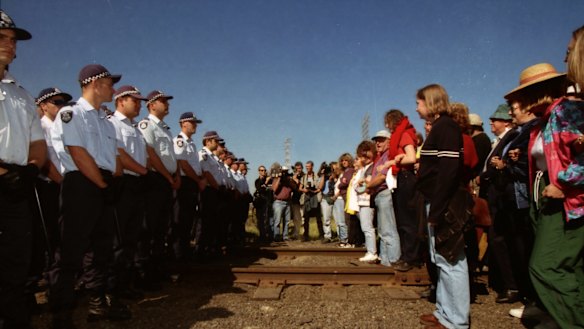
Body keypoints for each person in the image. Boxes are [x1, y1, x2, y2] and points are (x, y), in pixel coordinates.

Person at [505, 59, 583, 328]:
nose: (522, 103)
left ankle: (572, 321)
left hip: (562, 196)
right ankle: (557, 314)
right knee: (565, 266)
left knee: (545, 266)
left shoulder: (567, 112)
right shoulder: (544, 121)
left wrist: (564, 183)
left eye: (524, 95)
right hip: (543, 196)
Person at [49, 64, 127, 326]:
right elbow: (78, 153)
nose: (113, 89)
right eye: (109, 83)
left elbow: (114, 157)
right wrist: (103, 186)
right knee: (71, 249)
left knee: (101, 248)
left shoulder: (105, 120)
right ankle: (62, 310)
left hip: (103, 184)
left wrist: (113, 181)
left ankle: (97, 301)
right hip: (82, 184)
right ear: (94, 84)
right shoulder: (71, 113)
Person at [0, 11, 47, 328]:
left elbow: (38, 143)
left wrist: (31, 169)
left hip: (17, 187)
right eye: (2, 38)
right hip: (7, 178)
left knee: (16, 263)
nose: (10, 45)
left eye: (13, 41)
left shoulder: (23, 95)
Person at [416, 84, 471, 329]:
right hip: (438, 201)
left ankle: (456, 320)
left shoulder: (446, 126)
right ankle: (444, 312)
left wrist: (436, 210)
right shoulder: (441, 126)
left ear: (430, 102)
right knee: (440, 259)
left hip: (446, 204)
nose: (417, 107)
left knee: (451, 260)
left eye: (418, 102)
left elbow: (448, 172)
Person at [107, 85, 149, 300]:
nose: (139, 104)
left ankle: (126, 283)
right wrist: (143, 171)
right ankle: (114, 288)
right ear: (120, 100)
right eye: (135, 100)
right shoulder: (112, 124)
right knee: (120, 237)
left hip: (136, 185)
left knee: (133, 236)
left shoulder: (135, 128)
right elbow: (119, 154)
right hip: (124, 183)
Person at [136, 90, 180, 289]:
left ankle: (158, 268)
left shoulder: (166, 129)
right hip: (155, 179)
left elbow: (171, 156)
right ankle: (145, 272)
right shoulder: (147, 125)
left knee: (162, 227)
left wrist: (176, 175)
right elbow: (150, 153)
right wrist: (167, 175)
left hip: (166, 179)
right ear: (152, 105)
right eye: (163, 101)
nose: (167, 104)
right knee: (150, 227)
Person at [479, 104, 521, 304]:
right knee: (497, 239)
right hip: (495, 196)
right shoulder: (502, 139)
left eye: (495, 120)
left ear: (505, 121)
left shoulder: (511, 137)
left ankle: (511, 285)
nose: (491, 123)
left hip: (501, 196)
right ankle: (506, 283)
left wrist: (485, 175)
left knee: (501, 239)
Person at [383, 109, 420, 271]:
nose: (386, 126)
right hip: (403, 178)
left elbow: (411, 157)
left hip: (406, 178)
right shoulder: (403, 133)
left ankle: (410, 258)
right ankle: (407, 256)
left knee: (407, 220)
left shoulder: (404, 134)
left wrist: (392, 162)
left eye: (388, 122)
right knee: (403, 220)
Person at [173, 112, 205, 261]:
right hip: (186, 182)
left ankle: (184, 251)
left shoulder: (191, 143)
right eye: (192, 123)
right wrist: (197, 180)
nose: (195, 125)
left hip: (192, 182)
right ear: (183, 124)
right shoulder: (180, 141)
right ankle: (178, 254)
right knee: (181, 219)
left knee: (188, 219)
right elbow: (183, 165)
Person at [366, 129, 401, 267]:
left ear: (389, 141)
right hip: (380, 195)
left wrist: (369, 186)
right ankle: (386, 261)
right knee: (383, 230)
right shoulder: (381, 156)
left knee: (388, 230)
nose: (377, 143)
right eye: (376, 140)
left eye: (381, 140)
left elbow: (382, 177)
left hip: (385, 193)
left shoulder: (388, 155)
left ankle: (392, 261)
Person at [353, 141, 378, 262]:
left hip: (367, 201)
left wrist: (360, 186)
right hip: (363, 201)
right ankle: (370, 250)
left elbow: (363, 187)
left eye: (366, 156)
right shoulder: (365, 169)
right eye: (362, 156)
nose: (364, 158)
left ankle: (372, 252)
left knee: (367, 227)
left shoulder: (371, 167)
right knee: (366, 227)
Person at [300, 161, 324, 241]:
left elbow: (320, 187)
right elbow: (300, 188)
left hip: (315, 197)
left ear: (312, 166)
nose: (307, 168)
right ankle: (306, 236)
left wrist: (315, 191)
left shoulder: (317, 176)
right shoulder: (304, 177)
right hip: (307, 198)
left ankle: (321, 235)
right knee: (306, 219)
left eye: (309, 166)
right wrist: (305, 190)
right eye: (306, 166)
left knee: (318, 218)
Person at [271, 164, 296, 241]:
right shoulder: (276, 179)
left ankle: (285, 236)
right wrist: (279, 178)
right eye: (283, 172)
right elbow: (274, 189)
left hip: (287, 202)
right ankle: (277, 236)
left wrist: (289, 179)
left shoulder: (289, 180)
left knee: (287, 221)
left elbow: (294, 187)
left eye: (286, 172)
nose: (284, 173)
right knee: (277, 221)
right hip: (278, 202)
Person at [253, 165, 272, 242]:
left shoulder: (270, 180)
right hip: (260, 203)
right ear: (259, 171)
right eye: (261, 170)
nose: (263, 172)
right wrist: (266, 182)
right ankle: (262, 236)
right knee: (260, 220)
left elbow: (271, 189)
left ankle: (267, 236)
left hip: (267, 202)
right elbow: (260, 189)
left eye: (264, 170)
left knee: (267, 220)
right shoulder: (257, 181)